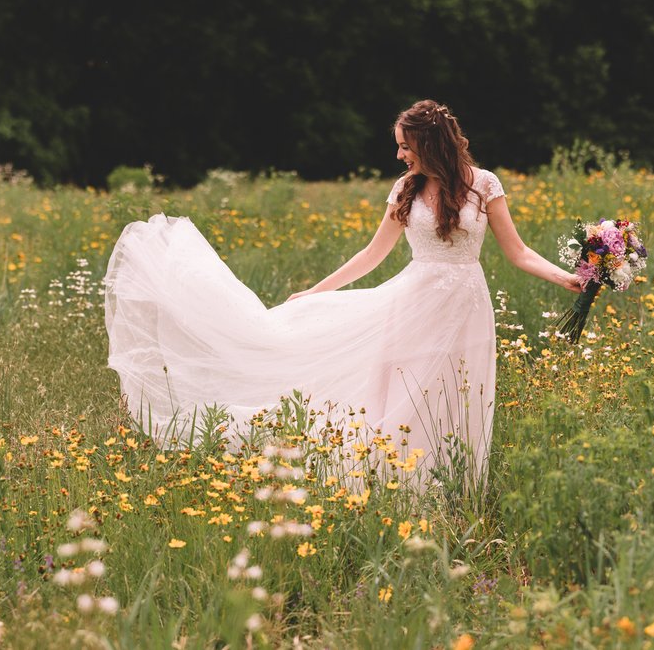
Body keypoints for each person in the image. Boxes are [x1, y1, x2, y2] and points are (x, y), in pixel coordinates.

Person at [104, 99, 580, 490]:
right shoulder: (406, 190)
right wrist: (314, 291)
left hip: (468, 306)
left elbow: (517, 252)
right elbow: (373, 254)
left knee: (459, 393)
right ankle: (401, 484)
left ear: (430, 144)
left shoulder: (485, 185)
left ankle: (453, 486)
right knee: (407, 390)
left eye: (404, 147)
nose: (399, 156)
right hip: (414, 303)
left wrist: (567, 279)